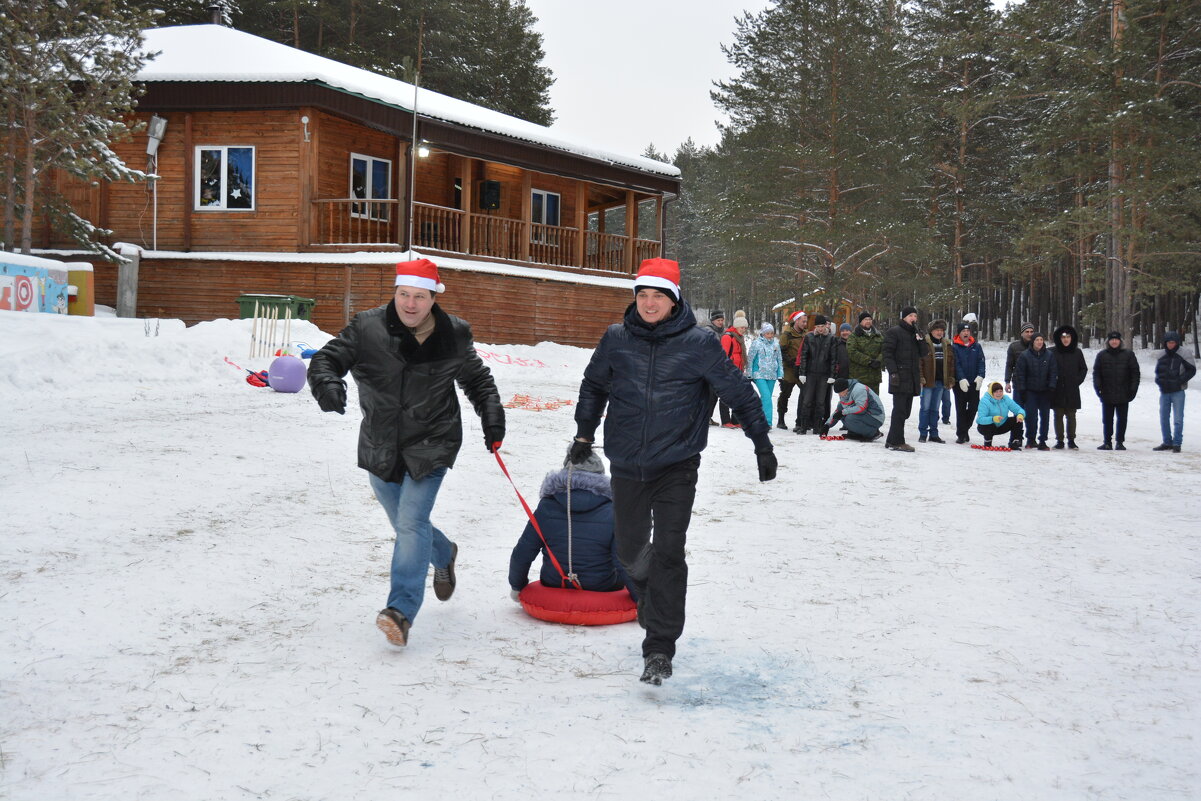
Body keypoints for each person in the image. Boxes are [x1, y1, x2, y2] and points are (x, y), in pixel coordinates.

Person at [571, 258, 777, 686]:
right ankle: (649, 596)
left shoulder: (700, 343)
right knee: (629, 552)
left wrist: (761, 442)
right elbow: (594, 385)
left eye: (658, 296)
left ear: (674, 300)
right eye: (642, 295)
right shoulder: (616, 339)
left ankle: (660, 647)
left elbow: (738, 391)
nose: (648, 303)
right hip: (627, 461)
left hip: (677, 464)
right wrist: (583, 435)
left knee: (668, 551)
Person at [308, 258, 504, 647]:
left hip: (433, 442)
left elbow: (478, 380)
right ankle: (444, 552)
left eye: (419, 296)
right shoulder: (367, 327)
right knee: (403, 521)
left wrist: (492, 418)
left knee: (412, 522)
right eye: (403, 295)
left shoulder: (454, 334)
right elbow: (327, 359)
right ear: (394, 293)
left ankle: (400, 611)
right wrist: (327, 385)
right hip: (381, 443)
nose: (410, 304)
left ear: (433, 299)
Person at [509, 446, 633, 598]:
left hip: (554, 581)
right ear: (600, 475)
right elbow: (623, 560)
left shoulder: (547, 506)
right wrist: (640, 598)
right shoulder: (613, 511)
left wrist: (517, 586)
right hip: (601, 586)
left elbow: (522, 553)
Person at [882, 306, 925, 452]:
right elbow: (887, 354)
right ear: (904, 317)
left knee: (905, 412)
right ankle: (898, 441)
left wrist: (921, 339)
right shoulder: (894, 332)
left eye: (915, 316)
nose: (913, 318)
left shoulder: (916, 333)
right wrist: (893, 372)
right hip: (899, 377)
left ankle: (891, 439)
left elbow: (924, 353)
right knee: (900, 411)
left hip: (912, 378)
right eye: (910, 315)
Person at [1093, 330, 1140, 450]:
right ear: (1108, 341)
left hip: (1124, 393)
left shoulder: (1129, 355)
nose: (1114, 341)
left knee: (1122, 419)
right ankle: (1107, 442)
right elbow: (1096, 373)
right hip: (1107, 392)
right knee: (1107, 419)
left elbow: (1135, 374)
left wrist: (1133, 389)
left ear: (1120, 341)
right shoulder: (1102, 355)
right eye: (1112, 339)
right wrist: (1097, 387)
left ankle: (1120, 442)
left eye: (1116, 339)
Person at [1014, 332, 1058, 450]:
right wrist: (1022, 390)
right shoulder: (1024, 355)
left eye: (1041, 340)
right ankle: (1031, 439)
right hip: (1030, 391)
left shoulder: (1049, 355)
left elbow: (1053, 373)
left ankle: (1043, 440)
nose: (1039, 342)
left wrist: (1051, 387)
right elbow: (1020, 374)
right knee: (1031, 416)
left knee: (1045, 416)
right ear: (1032, 342)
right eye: (1037, 340)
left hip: (1045, 391)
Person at [1153, 331, 1195, 453]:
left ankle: (1177, 443)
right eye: (1168, 342)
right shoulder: (1161, 354)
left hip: (1178, 391)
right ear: (1165, 343)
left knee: (1178, 419)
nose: (1170, 345)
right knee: (1164, 418)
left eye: (1173, 342)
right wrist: (1159, 381)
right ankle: (1167, 442)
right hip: (1164, 391)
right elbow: (1158, 371)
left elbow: (1191, 370)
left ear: (1177, 342)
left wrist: (1179, 381)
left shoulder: (1184, 353)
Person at [795, 314, 837, 434]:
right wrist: (802, 373)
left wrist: (832, 375)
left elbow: (834, 358)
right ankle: (803, 426)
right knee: (807, 400)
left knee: (820, 402)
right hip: (810, 373)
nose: (820, 328)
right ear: (815, 326)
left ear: (826, 326)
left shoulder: (831, 338)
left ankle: (817, 426)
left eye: (822, 326)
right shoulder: (809, 337)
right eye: (818, 326)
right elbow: (804, 356)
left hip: (824, 374)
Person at [1050, 325, 1088, 449]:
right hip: (1057, 389)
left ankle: (1071, 440)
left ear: (1072, 338)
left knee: (1071, 415)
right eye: (1063, 337)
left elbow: (1083, 368)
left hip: (1072, 389)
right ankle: (1060, 440)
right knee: (1058, 415)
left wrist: (1077, 381)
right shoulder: (1052, 352)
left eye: (1068, 337)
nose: (1066, 339)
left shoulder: (1077, 352)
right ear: (1059, 338)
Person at [918, 319, 955, 443]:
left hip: (941, 381)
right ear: (931, 331)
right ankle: (923, 433)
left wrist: (950, 378)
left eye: (941, 330)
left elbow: (951, 364)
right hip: (927, 382)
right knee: (925, 408)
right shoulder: (925, 343)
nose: (939, 333)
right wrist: (921, 377)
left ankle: (934, 433)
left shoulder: (947, 344)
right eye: (937, 330)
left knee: (935, 408)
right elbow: (920, 362)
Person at [951, 321, 986, 444]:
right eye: (963, 331)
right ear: (959, 333)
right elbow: (956, 364)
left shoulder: (976, 346)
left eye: (967, 331)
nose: (966, 333)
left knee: (974, 407)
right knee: (960, 408)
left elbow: (981, 362)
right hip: (960, 383)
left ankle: (965, 429)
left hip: (974, 382)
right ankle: (961, 434)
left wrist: (981, 376)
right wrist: (961, 378)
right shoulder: (954, 346)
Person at [820, 377, 885, 441]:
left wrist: (843, 412)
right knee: (841, 414)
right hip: (865, 415)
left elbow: (861, 408)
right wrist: (827, 425)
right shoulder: (845, 393)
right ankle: (856, 432)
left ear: (846, 389)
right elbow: (838, 411)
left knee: (849, 418)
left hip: (875, 416)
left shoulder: (859, 389)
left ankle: (873, 433)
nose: (840, 395)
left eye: (840, 392)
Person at [748, 322, 784, 427]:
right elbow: (750, 359)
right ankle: (767, 422)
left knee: (765, 399)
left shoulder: (776, 344)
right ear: (763, 333)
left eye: (772, 333)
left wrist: (780, 374)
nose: (770, 335)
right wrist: (749, 374)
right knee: (766, 397)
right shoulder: (756, 343)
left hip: (771, 375)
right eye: (768, 333)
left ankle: (756, 417)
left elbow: (779, 359)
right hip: (759, 374)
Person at [776, 310, 808, 429]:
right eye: (803, 321)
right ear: (797, 321)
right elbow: (781, 351)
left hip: (801, 370)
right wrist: (790, 362)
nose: (805, 323)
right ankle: (781, 420)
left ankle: (800, 421)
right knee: (785, 394)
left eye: (806, 321)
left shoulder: (806, 334)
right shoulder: (787, 334)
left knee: (805, 394)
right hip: (788, 370)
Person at [718, 314, 751, 428]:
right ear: (736, 326)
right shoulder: (728, 337)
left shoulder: (739, 337)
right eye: (742, 327)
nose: (744, 329)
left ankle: (735, 420)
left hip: (738, 370)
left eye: (745, 328)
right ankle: (726, 421)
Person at [976, 381, 1026, 450]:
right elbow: (980, 419)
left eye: (1000, 391)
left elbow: (1018, 409)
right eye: (996, 392)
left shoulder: (1005, 399)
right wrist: (993, 419)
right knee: (989, 424)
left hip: (1002, 425)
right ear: (991, 392)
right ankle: (988, 441)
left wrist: (1020, 415)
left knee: (1017, 420)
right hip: (987, 427)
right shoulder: (985, 401)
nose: (999, 394)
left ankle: (1014, 442)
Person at [846, 311, 883, 394]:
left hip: (874, 377)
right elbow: (852, 352)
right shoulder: (854, 336)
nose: (868, 321)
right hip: (859, 377)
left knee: (874, 402)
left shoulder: (878, 335)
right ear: (861, 322)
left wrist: (878, 361)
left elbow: (885, 350)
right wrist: (869, 361)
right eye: (865, 319)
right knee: (860, 403)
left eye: (870, 319)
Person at [703, 310, 726, 425]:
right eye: (718, 320)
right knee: (710, 394)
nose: (720, 322)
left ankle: (708, 417)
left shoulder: (724, 332)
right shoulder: (708, 331)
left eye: (722, 320)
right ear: (713, 321)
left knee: (715, 394)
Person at [1005, 322, 1035, 405]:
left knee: (1031, 414)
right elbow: (1009, 365)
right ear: (1022, 333)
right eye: (1027, 332)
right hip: (1018, 384)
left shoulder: (1037, 346)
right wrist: (1007, 382)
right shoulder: (1014, 347)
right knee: (1018, 413)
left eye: (1031, 332)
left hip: (1033, 385)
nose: (1029, 334)